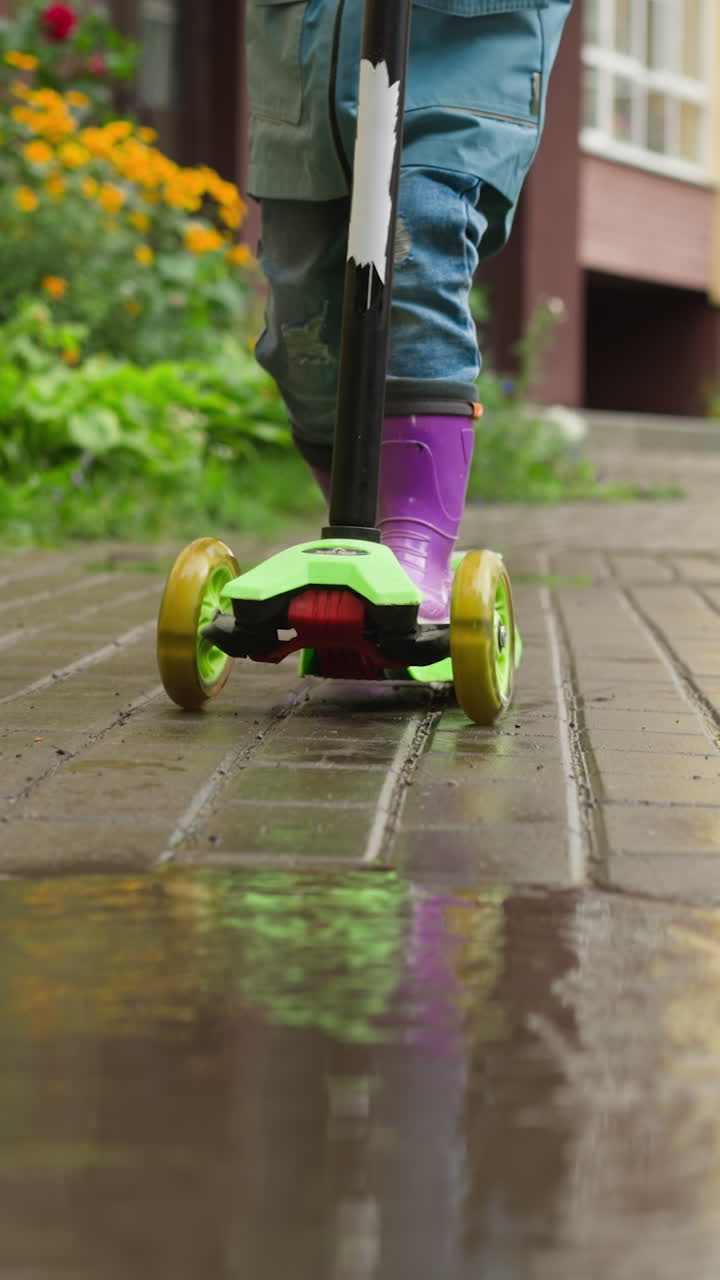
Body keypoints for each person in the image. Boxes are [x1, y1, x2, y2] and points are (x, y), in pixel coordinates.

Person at [246, 0, 573, 622]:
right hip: (307, 67)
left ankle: (413, 548)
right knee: (301, 329)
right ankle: (358, 535)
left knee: (416, 237)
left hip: (459, 59)